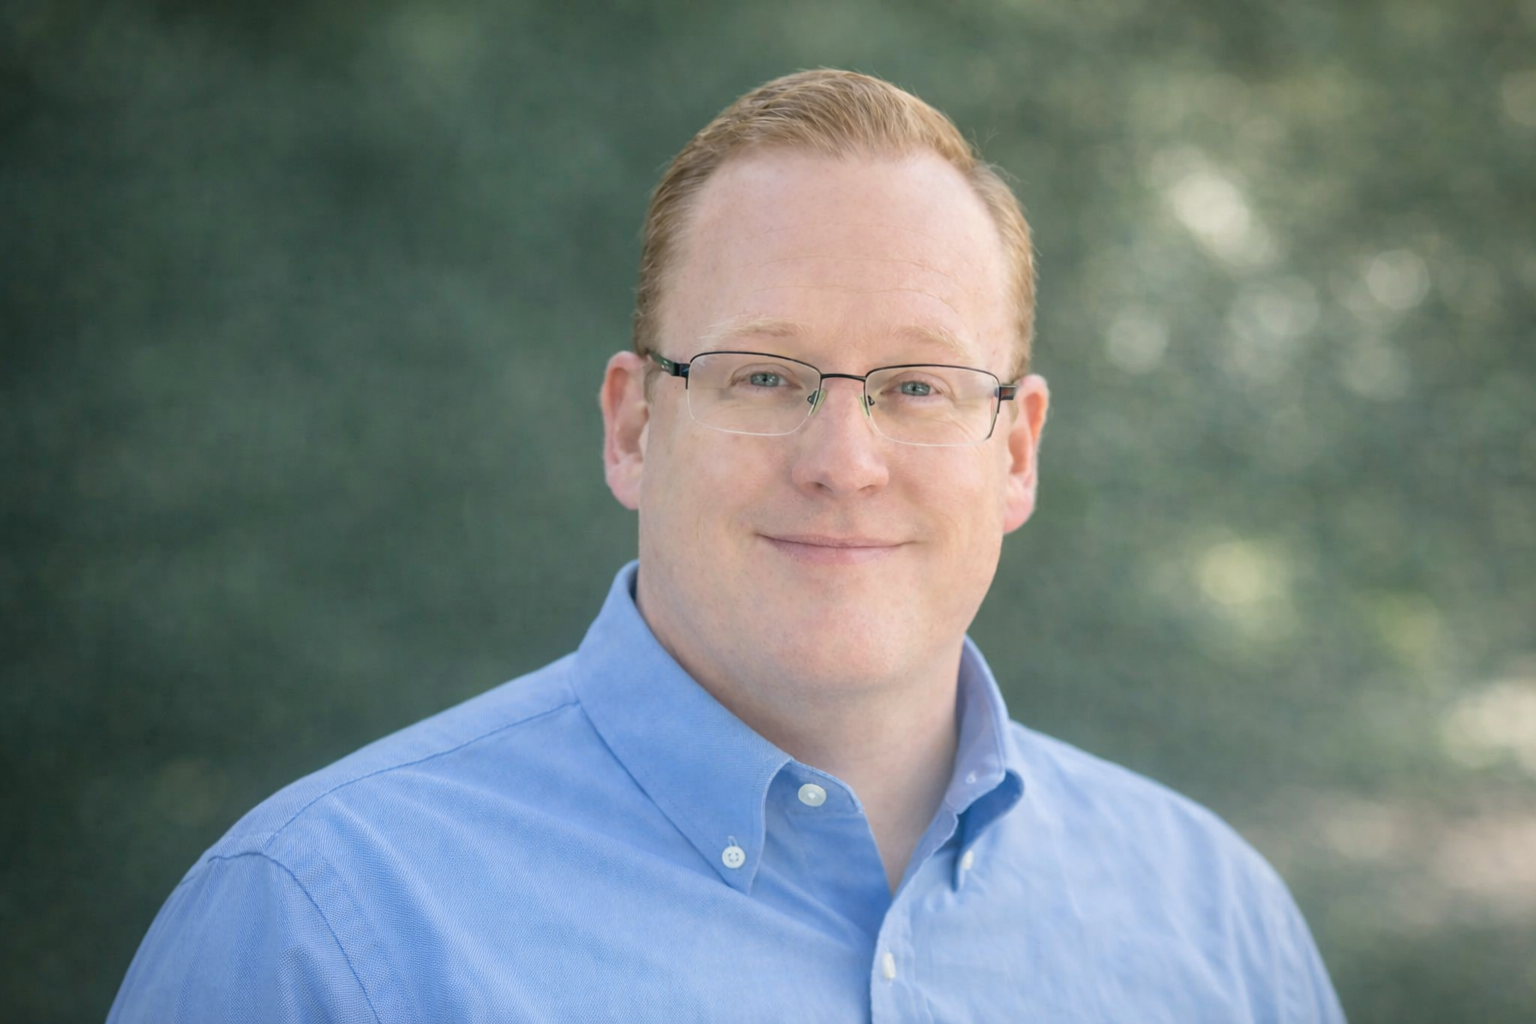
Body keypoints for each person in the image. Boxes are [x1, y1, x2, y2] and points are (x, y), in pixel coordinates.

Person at [109, 70, 1346, 1023]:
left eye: (918, 386)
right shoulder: (320, 922)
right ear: (635, 424)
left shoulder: (1218, 925)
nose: (842, 459)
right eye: (764, 373)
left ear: (1015, 450)